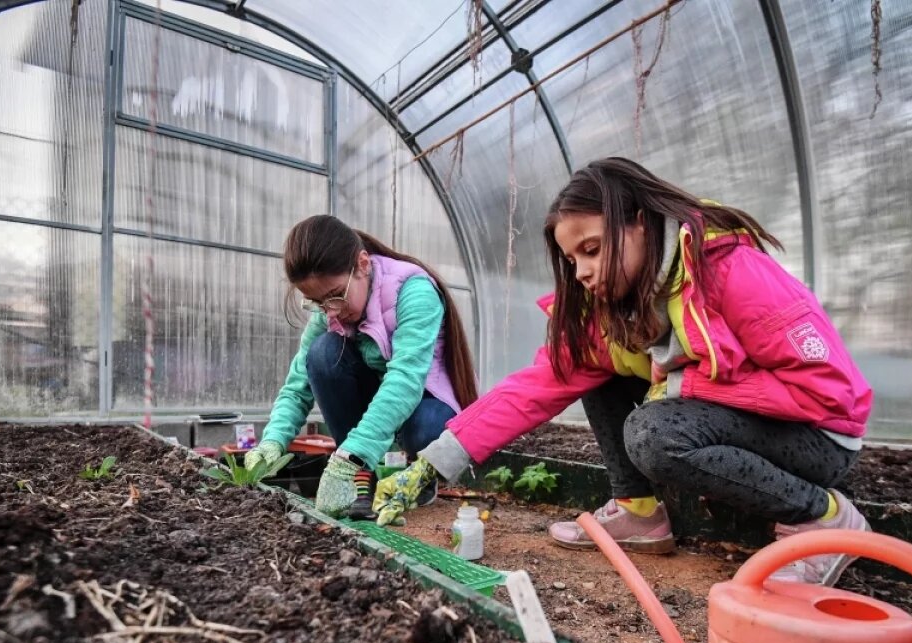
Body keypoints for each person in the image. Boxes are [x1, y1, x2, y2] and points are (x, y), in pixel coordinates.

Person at [374, 157, 873, 586]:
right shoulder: (614, 310)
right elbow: (535, 387)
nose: (581, 273)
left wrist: (680, 385)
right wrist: (436, 460)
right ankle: (638, 512)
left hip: (818, 438)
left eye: (591, 250)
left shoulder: (732, 271)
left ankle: (821, 517)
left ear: (638, 223)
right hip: (747, 422)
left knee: (655, 431)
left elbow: (829, 393)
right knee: (595, 368)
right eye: (571, 260)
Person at [245, 215, 477, 519]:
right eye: (316, 303)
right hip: (379, 397)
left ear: (363, 264)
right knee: (323, 353)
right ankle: (361, 476)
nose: (330, 311)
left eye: (335, 296)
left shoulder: (414, 292)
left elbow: (405, 382)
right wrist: (272, 441)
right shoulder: (330, 310)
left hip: (422, 397)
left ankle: (414, 474)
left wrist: (348, 458)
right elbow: (299, 381)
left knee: (427, 424)